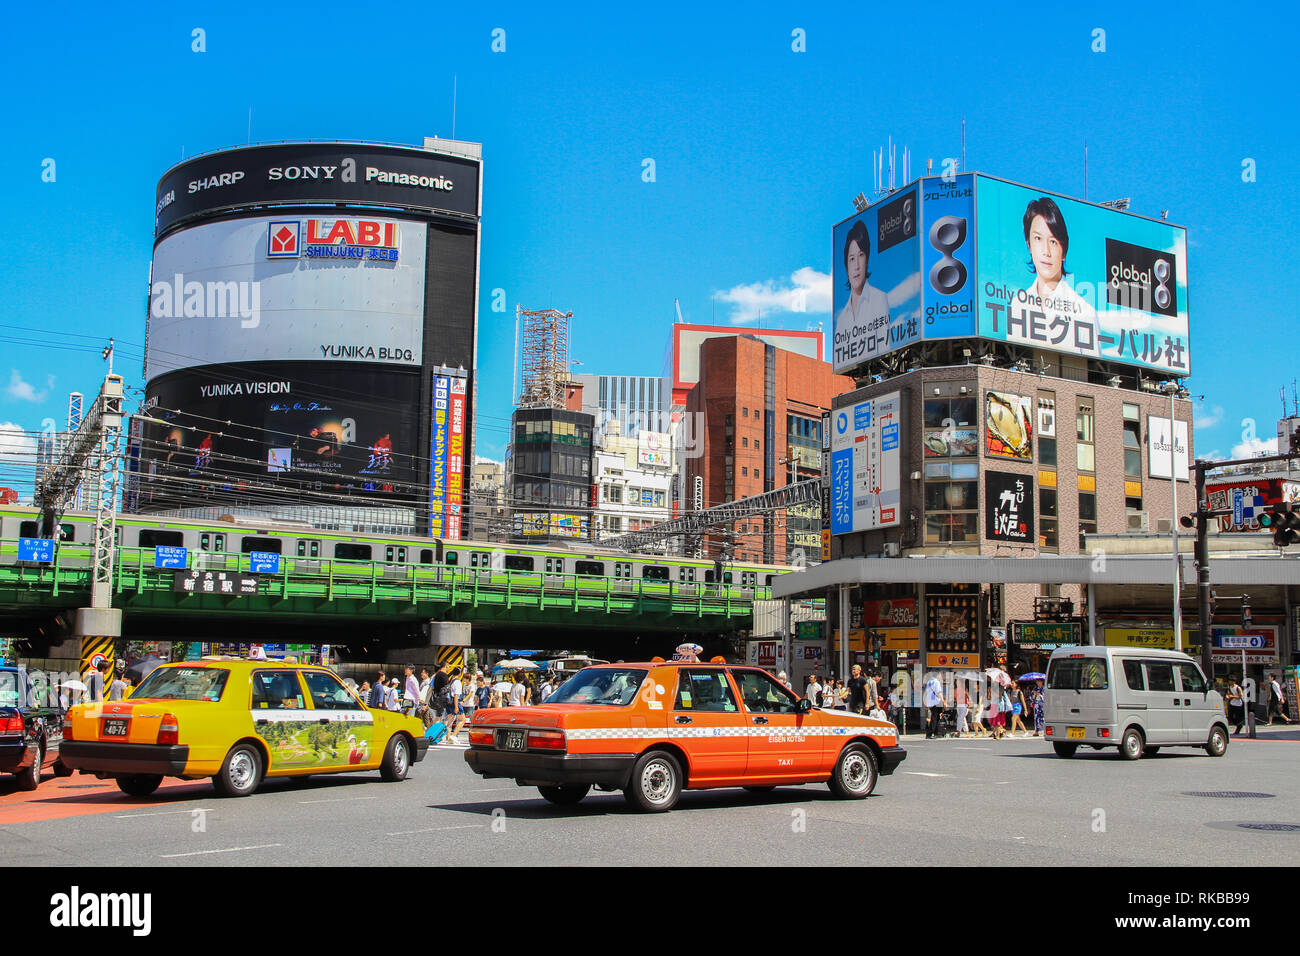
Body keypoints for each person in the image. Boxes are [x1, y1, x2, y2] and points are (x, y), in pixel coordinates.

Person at [836, 219, 891, 361]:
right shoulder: (841, 319)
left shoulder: (879, 298)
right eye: (852, 258)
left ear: (867, 259)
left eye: (861, 255)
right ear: (846, 265)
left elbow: (885, 348)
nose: (857, 266)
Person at [924, 673, 946, 739]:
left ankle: (934, 733)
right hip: (936, 702)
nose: (941, 676)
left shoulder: (929, 682)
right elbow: (939, 692)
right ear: (937, 675)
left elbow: (926, 693)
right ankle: (931, 733)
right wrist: (943, 701)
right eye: (940, 675)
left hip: (930, 702)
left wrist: (926, 702)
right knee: (935, 718)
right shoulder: (936, 682)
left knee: (934, 717)